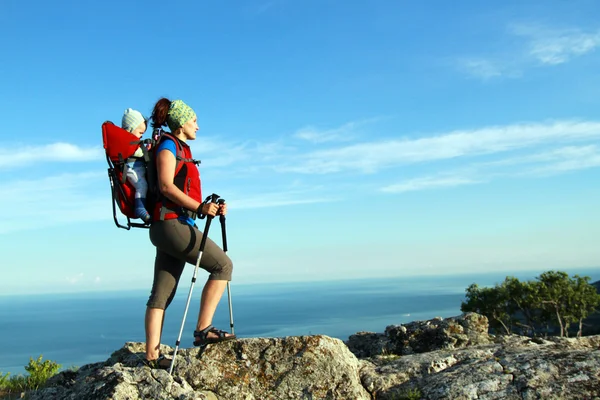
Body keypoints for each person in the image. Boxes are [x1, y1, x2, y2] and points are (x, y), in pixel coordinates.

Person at [144, 98, 235, 369]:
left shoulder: (176, 146)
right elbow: (166, 186)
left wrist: (210, 207)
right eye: (194, 120)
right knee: (223, 266)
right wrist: (200, 207)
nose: (198, 126)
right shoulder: (169, 145)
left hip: (167, 226)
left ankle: (152, 355)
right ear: (182, 123)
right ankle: (203, 328)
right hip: (172, 226)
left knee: (161, 293)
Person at [121, 108, 151, 223]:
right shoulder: (127, 142)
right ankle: (140, 208)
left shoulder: (132, 142)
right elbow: (136, 152)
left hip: (136, 168)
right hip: (132, 169)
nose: (141, 136)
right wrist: (147, 150)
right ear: (130, 129)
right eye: (140, 133)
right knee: (142, 186)